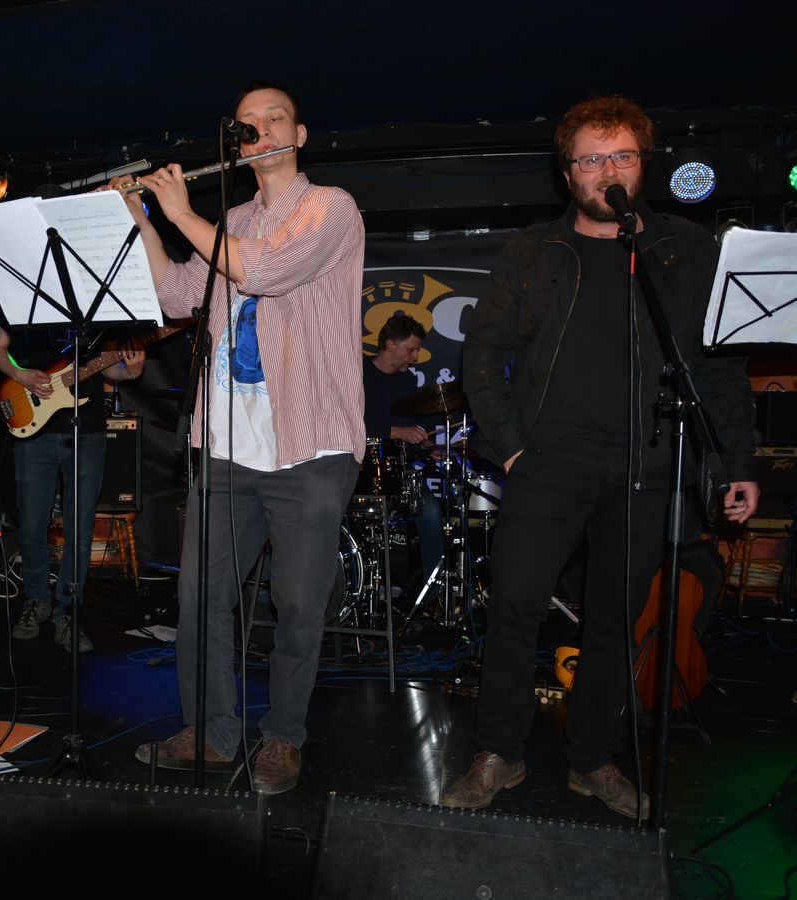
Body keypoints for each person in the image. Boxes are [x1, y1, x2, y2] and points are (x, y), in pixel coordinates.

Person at [443, 95, 759, 818]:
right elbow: (483, 356)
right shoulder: (533, 251)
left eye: (621, 155)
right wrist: (512, 450)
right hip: (547, 464)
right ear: (568, 172)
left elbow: (717, 369)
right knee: (516, 609)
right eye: (591, 158)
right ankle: (499, 753)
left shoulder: (682, 250)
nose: (607, 170)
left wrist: (737, 463)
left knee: (616, 620)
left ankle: (592, 759)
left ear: (642, 165)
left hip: (646, 466)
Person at [114, 81, 366, 795]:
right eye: (247, 124)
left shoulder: (331, 207)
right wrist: (141, 219)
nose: (259, 131)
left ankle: (283, 736)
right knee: (200, 598)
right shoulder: (230, 218)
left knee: (298, 606)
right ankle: (211, 732)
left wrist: (180, 212)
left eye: (274, 119)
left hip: (310, 445)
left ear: (300, 134)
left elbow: (266, 269)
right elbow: (175, 295)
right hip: (228, 445)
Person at [0, 327, 145, 652]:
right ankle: (36, 601)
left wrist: (131, 370)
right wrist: (20, 374)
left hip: (86, 433)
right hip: (33, 430)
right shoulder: (24, 302)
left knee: (79, 532)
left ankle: (68, 612)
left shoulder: (98, 313)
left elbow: (107, 366)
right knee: (32, 527)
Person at [361, 313, 444, 582]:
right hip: (357, 469)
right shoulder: (357, 373)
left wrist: (427, 445)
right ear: (390, 344)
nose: (416, 357)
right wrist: (395, 432)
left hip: (397, 471)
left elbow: (412, 426)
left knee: (432, 512)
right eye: (411, 349)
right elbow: (343, 422)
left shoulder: (407, 381)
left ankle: (432, 591)